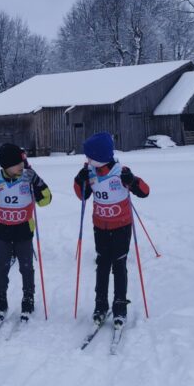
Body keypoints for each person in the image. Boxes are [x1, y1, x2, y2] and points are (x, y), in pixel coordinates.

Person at [73, 132, 150, 330]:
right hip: (100, 226)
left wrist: (131, 180)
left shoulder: (120, 171)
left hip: (121, 226)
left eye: (90, 156)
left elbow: (145, 191)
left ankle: (120, 306)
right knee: (102, 264)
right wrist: (79, 180)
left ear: (100, 156)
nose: (87, 159)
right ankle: (100, 306)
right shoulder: (90, 172)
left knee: (119, 264)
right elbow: (82, 196)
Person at [0, 143, 51, 321]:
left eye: (21, 162)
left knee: (26, 268)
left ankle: (28, 298)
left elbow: (46, 200)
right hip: (3, 230)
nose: (22, 166)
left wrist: (37, 182)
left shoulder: (28, 177)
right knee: (2, 267)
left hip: (24, 229)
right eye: (17, 164)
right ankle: (1, 300)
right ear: (6, 165)